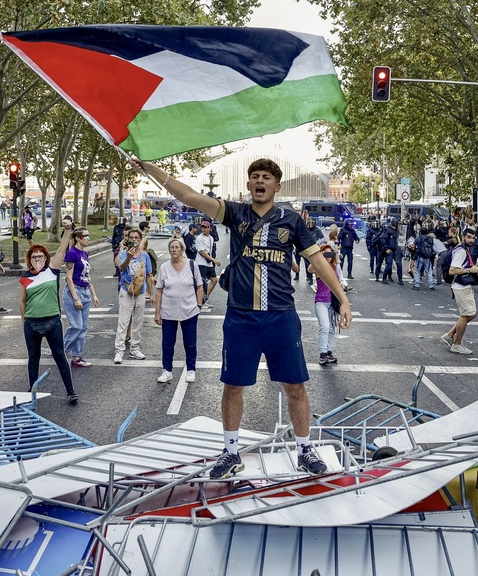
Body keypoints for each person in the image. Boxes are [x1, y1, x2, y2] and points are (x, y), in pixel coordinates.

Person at [134, 157, 351, 479]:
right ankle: (231, 452)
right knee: (233, 386)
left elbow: (318, 262)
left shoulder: (292, 221)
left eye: (266, 177)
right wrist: (151, 169)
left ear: (277, 186)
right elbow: (189, 196)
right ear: (249, 184)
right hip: (241, 317)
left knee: (295, 386)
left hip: (280, 315)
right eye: (255, 176)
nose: (260, 181)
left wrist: (342, 298)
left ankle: (305, 449)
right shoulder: (235, 213)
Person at [19, 229, 78, 404]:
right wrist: (24, 321)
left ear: (46, 258)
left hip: (52, 321)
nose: (37, 259)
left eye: (40, 256)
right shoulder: (25, 278)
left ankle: (71, 391)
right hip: (32, 323)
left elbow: (61, 248)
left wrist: (67, 230)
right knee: (33, 358)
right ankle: (32, 391)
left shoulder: (52, 271)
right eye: (34, 257)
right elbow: (22, 301)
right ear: (30, 260)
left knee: (60, 356)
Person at [154, 237, 204, 383]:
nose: (174, 250)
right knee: (167, 342)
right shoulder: (164, 267)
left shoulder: (192, 265)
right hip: (168, 311)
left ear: (182, 249)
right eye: (172, 247)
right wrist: (157, 312)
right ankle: (167, 370)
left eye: (177, 247)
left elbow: (199, 286)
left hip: (189, 310)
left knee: (190, 342)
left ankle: (191, 370)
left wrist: (198, 305)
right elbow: (159, 291)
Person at [113, 227, 154, 363]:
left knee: (138, 321)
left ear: (140, 240)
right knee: (123, 321)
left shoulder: (145, 255)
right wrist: (129, 257)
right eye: (131, 238)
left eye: (137, 238)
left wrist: (151, 294)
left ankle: (135, 348)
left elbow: (148, 275)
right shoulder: (124, 254)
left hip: (140, 292)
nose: (134, 240)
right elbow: (121, 268)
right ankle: (119, 351)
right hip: (126, 290)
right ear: (128, 239)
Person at [63, 227, 100, 368]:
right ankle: (60, 350)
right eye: (85, 236)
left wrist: (94, 294)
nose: (89, 238)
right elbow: (69, 277)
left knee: (83, 328)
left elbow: (87, 276)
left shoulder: (84, 254)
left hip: (85, 291)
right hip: (74, 291)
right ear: (78, 238)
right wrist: (75, 298)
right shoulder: (71, 253)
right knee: (76, 326)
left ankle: (76, 357)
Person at [440, 231, 478, 355]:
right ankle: (456, 345)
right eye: (469, 237)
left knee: (470, 314)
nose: (471, 240)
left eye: (473, 238)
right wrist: (470, 270)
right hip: (461, 286)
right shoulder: (461, 251)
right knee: (467, 315)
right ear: (463, 237)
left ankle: (450, 335)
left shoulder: (463, 249)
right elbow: (452, 271)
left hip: (463, 286)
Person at [308, 244, 342, 364]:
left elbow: (340, 281)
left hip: (332, 301)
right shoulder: (319, 269)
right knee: (325, 327)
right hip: (321, 302)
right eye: (326, 253)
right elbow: (310, 269)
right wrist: (319, 257)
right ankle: (322, 353)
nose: (328, 256)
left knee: (332, 328)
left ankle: (328, 351)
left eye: (330, 253)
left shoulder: (335, 268)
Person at [195, 221, 221, 309]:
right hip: (201, 263)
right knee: (202, 283)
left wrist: (212, 260)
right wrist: (214, 260)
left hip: (208, 263)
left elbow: (210, 251)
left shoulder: (211, 238)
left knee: (214, 280)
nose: (203, 229)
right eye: (202, 227)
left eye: (205, 227)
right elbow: (202, 252)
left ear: (209, 228)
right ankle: (200, 301)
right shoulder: (199, 238)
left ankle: (205, 299)